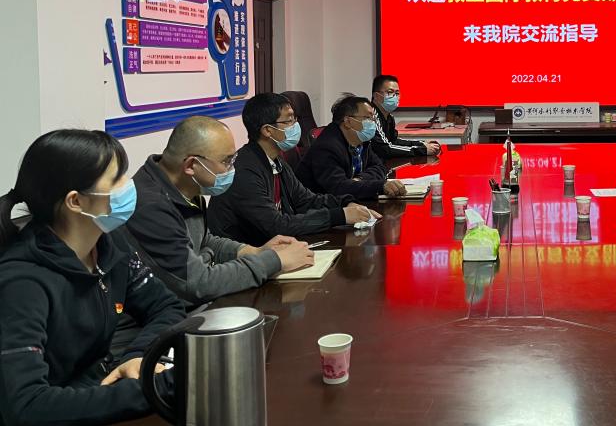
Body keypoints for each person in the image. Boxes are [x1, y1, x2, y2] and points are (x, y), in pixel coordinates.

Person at [0, 130, 184, 426]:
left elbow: (166, 306)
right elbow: (26, 408)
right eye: (116, 179)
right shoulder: (22, 282)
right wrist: (154, 388)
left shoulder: (107, 244)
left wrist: (139, 357)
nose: (129, 185)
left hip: (94, 397)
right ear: (75, 201)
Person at [128, 116, 315, 307]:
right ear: (191, 165)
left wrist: (254, 251)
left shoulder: (185, 186)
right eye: (227, 161)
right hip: (167, 316)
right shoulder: (151, 207)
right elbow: (199, 284)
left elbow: (204, 240)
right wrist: (273, 261)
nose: (232, 168)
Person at [207, 93, 377, 246]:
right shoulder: (245, 170)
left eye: (295, 119)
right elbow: (276, 225)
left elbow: (305, 200)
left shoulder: (276, 161)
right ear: (267, 130)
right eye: (289, 121)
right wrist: (340, 216)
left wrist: (345, 203)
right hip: (244, 256)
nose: (296, 125)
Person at [297, 95, 408, 201]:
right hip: (320, 207)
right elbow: (339, 188)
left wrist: (360, 179)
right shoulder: (327, 148)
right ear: (348, 122)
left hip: (348, 201)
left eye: (373, 118)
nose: (373, 123)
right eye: (368, 118)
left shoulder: (361, 141)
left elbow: (379, 167)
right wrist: (380, 186)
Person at [369, 75, 441, 159]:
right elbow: (385, 149)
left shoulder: (389, 117)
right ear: (376, 96)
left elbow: (393, 141)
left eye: (397, 93)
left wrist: (422, 143)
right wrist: (422, 150)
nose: (395, 97)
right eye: (390, 92)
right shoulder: (370, 116)